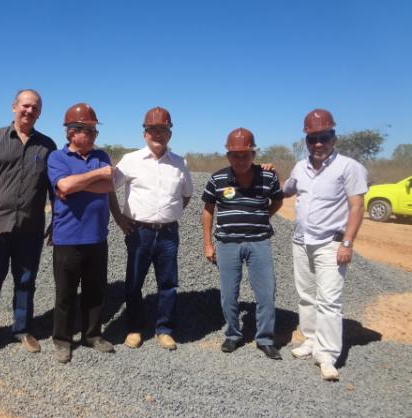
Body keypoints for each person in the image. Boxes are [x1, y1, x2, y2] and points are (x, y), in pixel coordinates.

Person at [0, 89, 57, 356]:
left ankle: (22, 329)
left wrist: (56, 221)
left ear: (39, 113)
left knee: (26, 282)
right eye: (25, 106)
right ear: (14, 107)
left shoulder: (47, 146)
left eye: (35, 108)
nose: (29, 111)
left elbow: (55, 189)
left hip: (30, 230)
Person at [284, 109, 368, 381]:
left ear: (334, 137)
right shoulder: (300, 167)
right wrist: (265, 172)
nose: (318, 143)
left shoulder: (348, 167)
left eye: (324, 137)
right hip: (301, 242)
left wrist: (347, 242)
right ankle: (310, 340)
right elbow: (286, 190)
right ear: (306, 140)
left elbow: (357, 206)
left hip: (331, 244)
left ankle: (328, 354)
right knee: (306, 296)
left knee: (329, 300)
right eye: (312, 138)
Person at [109, 107, 194, 350]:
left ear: (170, 133)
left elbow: (186, 195)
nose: (158, 134)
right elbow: (108, 189)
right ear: (145, 133)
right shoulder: (130, 160)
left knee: (167, 283)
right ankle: (134, 328)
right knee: (134, 282)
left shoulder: (180, 163)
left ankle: (164, 329)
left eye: (163, 129)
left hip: (168, 233)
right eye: (153, 129)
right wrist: (118, 217)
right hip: (138, 232)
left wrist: (169, 213)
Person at [201, 128, 283, 360]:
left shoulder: (269, 177)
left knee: (266, 292)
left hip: (259, 242)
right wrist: (208, 244)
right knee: (229, 293)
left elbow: (277, 200)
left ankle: (265, 339)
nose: (240, 160)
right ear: (228, 156)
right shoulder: (217, 179)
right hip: (227, 244)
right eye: (235, 155)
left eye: (245, 154)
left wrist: (261, 217)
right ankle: (233, 334)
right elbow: (208, 212)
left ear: (253, 154)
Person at [47, 103, 115, 363]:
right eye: (89, 130)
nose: (94, 135)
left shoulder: (103, 156)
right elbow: (63, 185)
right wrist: (95, 175)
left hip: (97, 236)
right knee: (65, 293)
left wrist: (78, 184)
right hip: (67, 237)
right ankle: (62, 340)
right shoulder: (57, 158)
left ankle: (92, 334)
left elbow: (109, 186)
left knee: (95, 291)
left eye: (94, 131)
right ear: (72, 132)